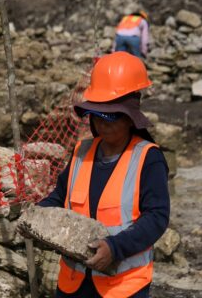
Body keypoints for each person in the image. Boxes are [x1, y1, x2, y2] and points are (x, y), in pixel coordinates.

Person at [39, 52, 170, 298]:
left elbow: (157, 217)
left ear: (132, 116)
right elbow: (59, 195)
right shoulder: (82, 151)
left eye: (111, 116)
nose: (103, 123)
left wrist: (115, 248)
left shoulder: (148, 158)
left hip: (122, 287)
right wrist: (38, 214)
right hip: (73, 282)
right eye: (97, 115)